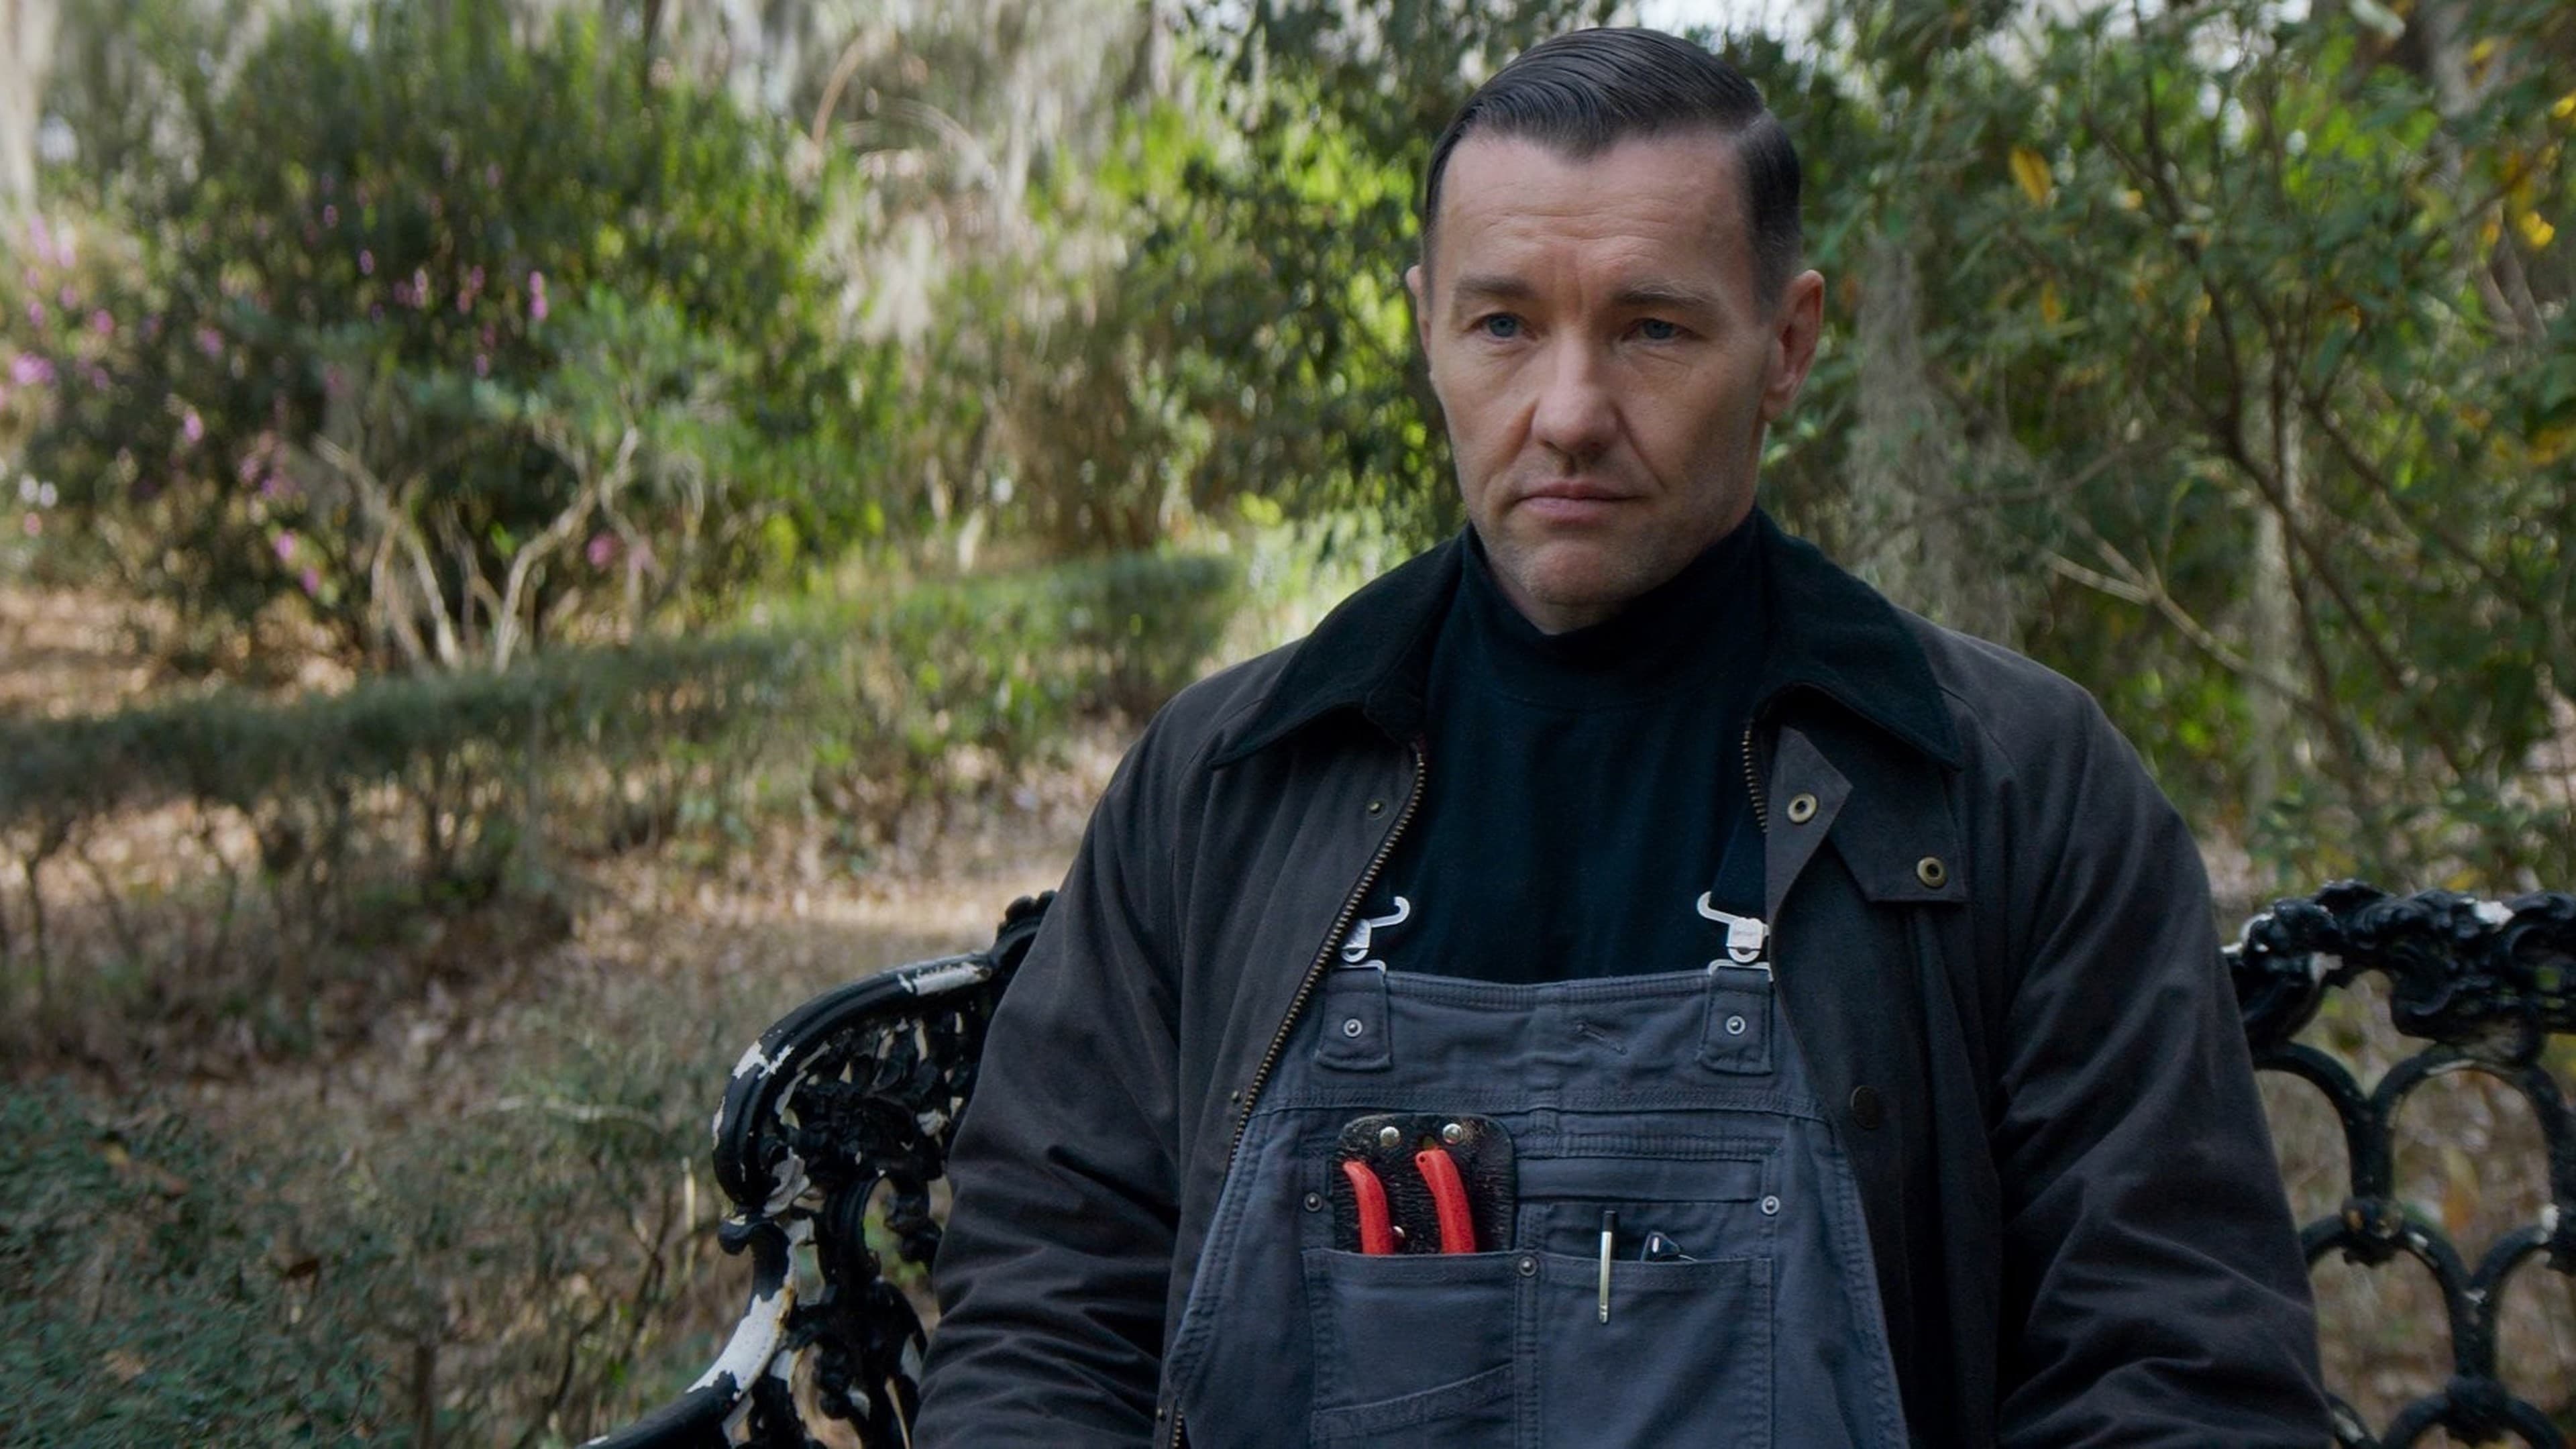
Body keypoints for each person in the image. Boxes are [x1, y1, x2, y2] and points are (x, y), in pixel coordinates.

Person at [915, 26, 2324, 1448]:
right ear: (1427, 329)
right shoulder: (1228, 782)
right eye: (1504, 326)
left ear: (1786, 347)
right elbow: (1044, 1308)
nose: (1571, 413)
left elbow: (2178, 1367)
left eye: (1653, 328)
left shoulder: (2014, 789)